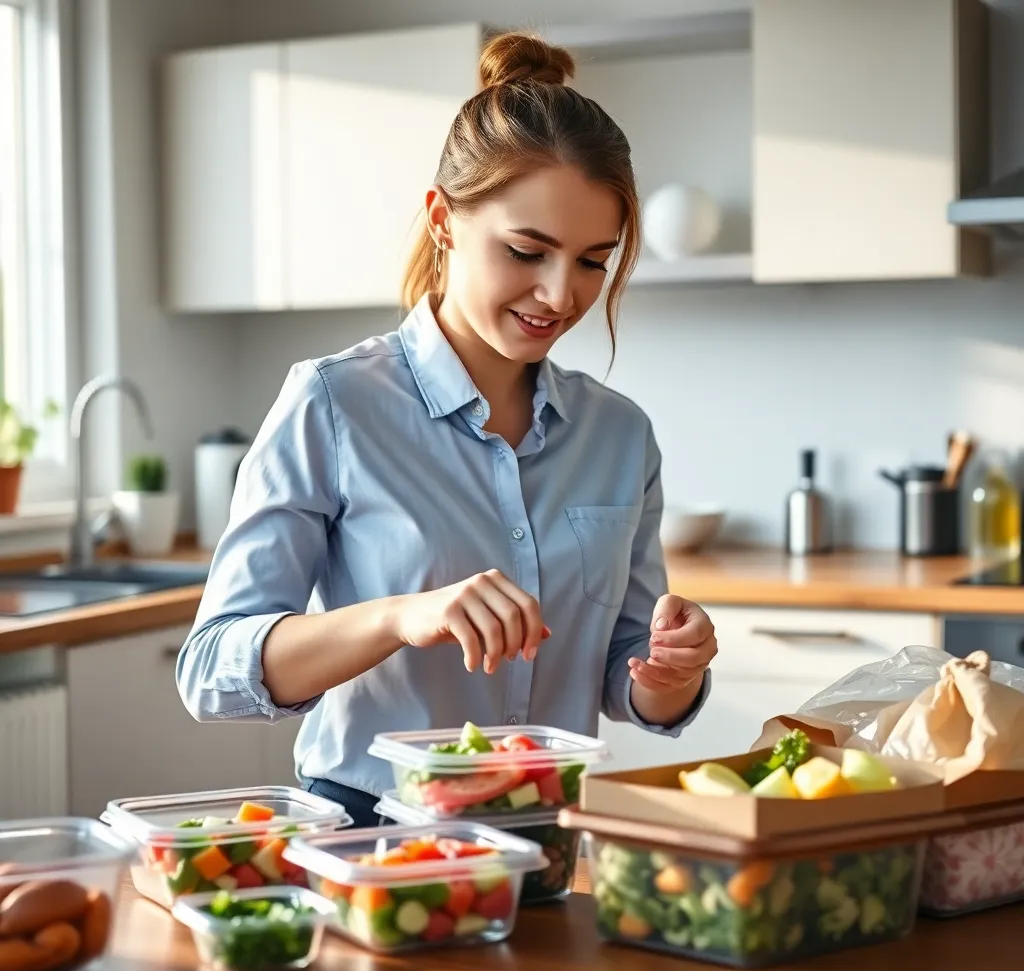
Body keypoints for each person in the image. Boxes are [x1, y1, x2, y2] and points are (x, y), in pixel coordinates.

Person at [176, 31, 718, 828]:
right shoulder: (332, 404)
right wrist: (401, 616)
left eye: (593, 261)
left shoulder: (620, 436)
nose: (561, 295)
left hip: (545, 837)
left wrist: (671, 670)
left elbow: (625, 674)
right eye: (527, 250)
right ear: (443, 220)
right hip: (369, 837)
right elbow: (213, 669)